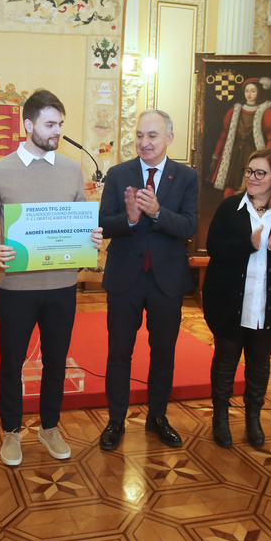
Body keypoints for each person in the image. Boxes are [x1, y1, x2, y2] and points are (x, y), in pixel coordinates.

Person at [0, 89, 103, 466]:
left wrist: (91, 235)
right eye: (50, 124)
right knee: (11, 361)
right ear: (29, 125)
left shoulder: (70, 168)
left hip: (62, 287)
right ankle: (11, 432)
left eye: (61, 124)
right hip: (17, 288)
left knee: (56, 360)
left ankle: (49, 427)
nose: (57, 131)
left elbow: (81, 217)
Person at [97, 110, 198, 451]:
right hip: (125, 278)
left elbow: (188, 227)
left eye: (152, 136)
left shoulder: (186, 177)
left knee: (163, 353)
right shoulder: (118, 173)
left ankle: (157, 416)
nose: (144, 142)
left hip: (166, 281)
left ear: (169, 137)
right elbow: (104, 225)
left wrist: (156, 212)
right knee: (119, 353)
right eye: (140, 135)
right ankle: (115, 419)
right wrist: (128, 218)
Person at [202, 148, 271, 449]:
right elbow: (215, 248)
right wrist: (251, 242)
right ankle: (220, 418)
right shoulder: (230, 208)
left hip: (269, 308)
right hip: (230, 304)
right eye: (249, 171)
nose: (252, 178)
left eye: (260, 173)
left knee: (259, 364)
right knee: (225, 362)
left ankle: (253, 419)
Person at [209, 77, 271, 197]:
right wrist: (216, 154)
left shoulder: (265, 111)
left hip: (252, 154)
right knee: (230, 187)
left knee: (251, 187)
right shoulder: (235, 111)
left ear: (258, 92)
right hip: (235, 155)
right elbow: (224, 135)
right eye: (247, 91)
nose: (249, 94)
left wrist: (265, 158)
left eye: (253, 91)